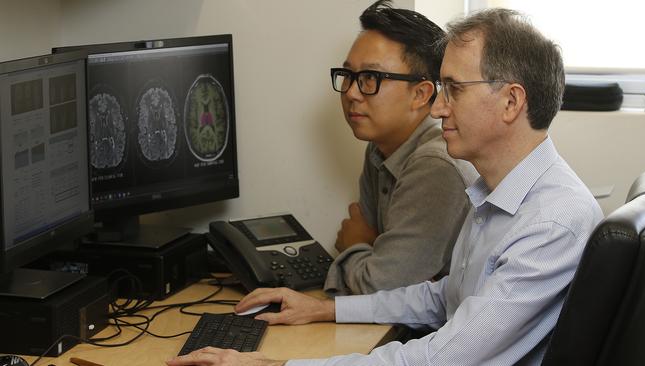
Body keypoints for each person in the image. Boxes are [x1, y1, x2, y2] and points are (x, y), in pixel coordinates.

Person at [166, 8, 604, 366]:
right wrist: (325, 308)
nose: (437, 106)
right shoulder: (500, 192)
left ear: (511, 101)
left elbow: (442, 359)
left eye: (452, 89)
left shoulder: (550, 223)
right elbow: (443, 298)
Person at [324, 0, 477, 296]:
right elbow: (379, 267)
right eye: (348, 76)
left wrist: (355, 244)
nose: (352, 93)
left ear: (421, 94)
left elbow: (380, 285)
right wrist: (368, 251)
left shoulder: (435, 165)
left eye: (371, 78)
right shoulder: (379, 147)